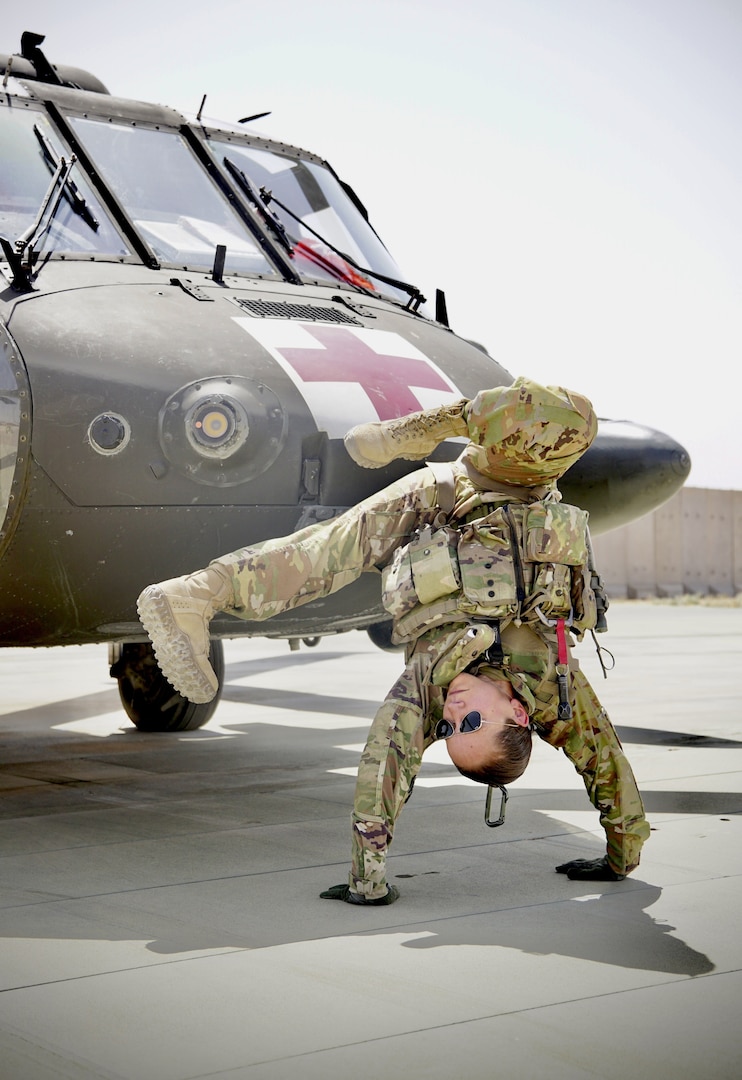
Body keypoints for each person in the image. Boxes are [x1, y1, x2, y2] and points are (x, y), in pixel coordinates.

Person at [137, 377, 649, 905]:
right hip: (524, 480)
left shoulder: (427, 690)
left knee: (322, 553)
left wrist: (368, 882)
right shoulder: (555, 691)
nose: (452, 713)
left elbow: (383, 768)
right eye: (470, 723)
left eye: (448, 729)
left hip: (448, 497)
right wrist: (621, 857)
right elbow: (606, 763)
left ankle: (193, 596)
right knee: (573, 421)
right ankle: (425, 427)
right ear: (521, 716)